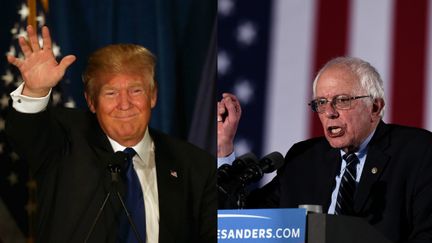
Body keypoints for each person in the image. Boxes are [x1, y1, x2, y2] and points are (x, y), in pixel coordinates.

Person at [5, 25, 216, 243]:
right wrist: (36, 91)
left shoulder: (195, 166)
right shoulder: (65, 140)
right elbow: (27, 134)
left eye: (136, 90)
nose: (124, 104)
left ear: (152, 96)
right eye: (111, 93)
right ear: (91, 101)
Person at [217, 57, 432, 242]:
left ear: (375, 108)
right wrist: (223, 146)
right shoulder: (303, 159)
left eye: (342, 100)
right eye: (320, 103)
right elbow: (242, 224)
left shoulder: (419, 152)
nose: (329, 112)